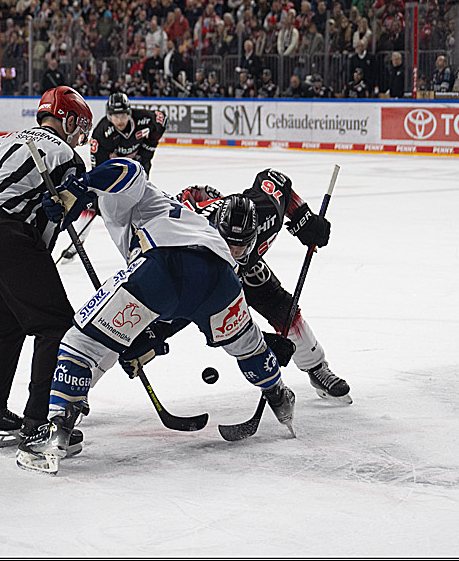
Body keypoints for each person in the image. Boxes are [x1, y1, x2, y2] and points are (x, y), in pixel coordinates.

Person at [18, 158, 297, 474]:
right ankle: (279, 395)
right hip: (220, 281)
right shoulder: (199, 226)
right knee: (249, 347)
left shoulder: (142, 197)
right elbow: (187, 305)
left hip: (160, 267)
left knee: (82, 344)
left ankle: (57, 432)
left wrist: (80, 187)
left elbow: (128, 169)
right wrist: (148, 336)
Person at [0, 86, 92, 451]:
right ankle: (40, 422)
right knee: (54, 323)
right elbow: (48, 227)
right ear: (67, 120)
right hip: (3, 234)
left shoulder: (0, 140)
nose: (80, 138)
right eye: (79, 128)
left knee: (4, 323)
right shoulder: (66, 156)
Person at [179, 169, 350, 402]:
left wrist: (304, 219)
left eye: (241, 246)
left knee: (282, 307)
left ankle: (316, 367)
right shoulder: (196, 246)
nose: (234, 253)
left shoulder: (265, 211)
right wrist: (263, 342)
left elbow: (275, 180)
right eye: (228, 245)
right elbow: (210, 320)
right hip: (210, 273)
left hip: (245, 266)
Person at [91, 92, 167, 177]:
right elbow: (97, 166)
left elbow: (161, 120)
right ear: (110, 116)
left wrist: (150, 144)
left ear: (128, 114)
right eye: (116, 116)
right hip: (115, 166)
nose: (120, 121)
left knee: (142, 184)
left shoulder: (142, 119)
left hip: (139, 160)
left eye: (123, 116)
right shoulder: (101, 132)